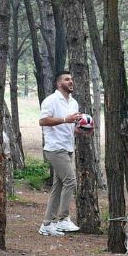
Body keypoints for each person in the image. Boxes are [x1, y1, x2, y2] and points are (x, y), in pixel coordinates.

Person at [38, 71, 83, 236]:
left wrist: (81, 129)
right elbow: (42, 121)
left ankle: (46, 224)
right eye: (67, 79)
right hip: (55, 148)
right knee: (70, 180)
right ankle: (63, 219)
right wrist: (65, 119)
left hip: (68, 147)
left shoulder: (74, 103)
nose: (71, 81)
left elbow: (72, 126)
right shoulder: (50, 100)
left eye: (71, 79)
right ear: (59, 84)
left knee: (58, 187)